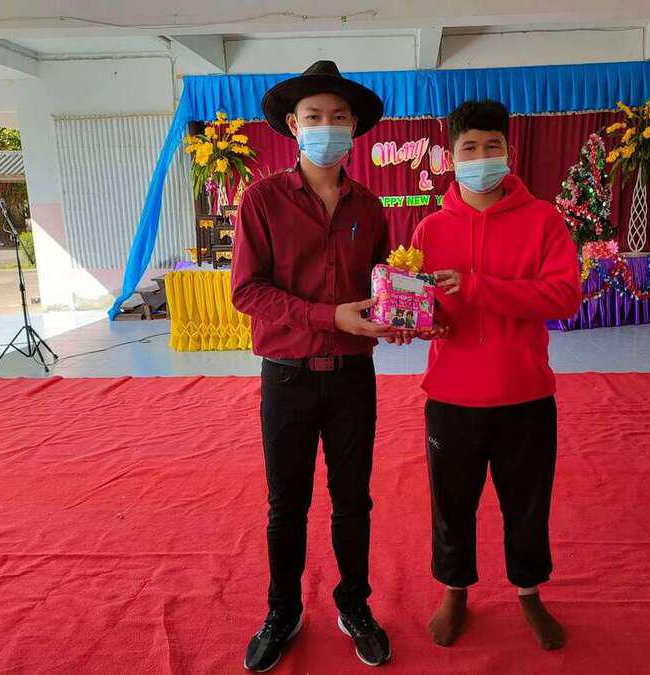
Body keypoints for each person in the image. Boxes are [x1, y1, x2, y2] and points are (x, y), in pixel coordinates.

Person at [232, 61, 395, 671]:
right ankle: (283, 610)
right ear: (293, 126)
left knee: (354, 500)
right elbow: (247, 290)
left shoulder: (369, 206)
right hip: (288, 376)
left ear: (354, 127)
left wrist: (400, 314)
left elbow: (382, 284)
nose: (327, 126)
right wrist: (331, 318)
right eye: (314, 117)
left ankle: (354, 604)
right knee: (287, 504)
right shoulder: (262, 200)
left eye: (338, 116)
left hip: (353, 378)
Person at [410, 100, 581, 651]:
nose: (481, 157)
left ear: (508, 152)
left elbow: (564, 297)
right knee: (451, 504)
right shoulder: (430, 229)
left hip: (524, 394)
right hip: (451, 397)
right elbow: (425, 307)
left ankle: (529, 592)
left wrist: (477, 286)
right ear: (451, 156)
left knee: (527, 504)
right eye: (469, 148)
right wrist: (417, 323)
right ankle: (454, 590)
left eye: (492, 146)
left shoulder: (543, 221)